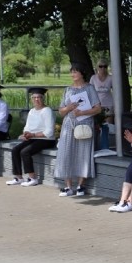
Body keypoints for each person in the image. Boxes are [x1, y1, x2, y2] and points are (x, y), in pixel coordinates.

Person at [55, 62, 102, 197]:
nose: (73, 74)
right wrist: (68, 108)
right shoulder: (67, 90)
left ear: (82, 73)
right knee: (65, 153)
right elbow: (61, 111)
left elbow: (98, 108)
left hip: (85, 123)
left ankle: (81, 185)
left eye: (75, 71)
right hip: (69, 124)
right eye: (72, 72)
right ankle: (68, 186)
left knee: (83, 153)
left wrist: (82, 113)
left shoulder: (89, 88)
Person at [5, 87, 57, 187]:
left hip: (46, 140)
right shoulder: (32, 111)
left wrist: (33, 135)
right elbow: (27, 127)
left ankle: (32, 178)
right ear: (31, 99)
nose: (36, 99)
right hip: (33, 138)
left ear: (43, 98)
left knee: (25, 152)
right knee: (15, 150)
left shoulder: (47, 111)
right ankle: (19, 178)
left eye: (39, 97)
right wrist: (25, 134)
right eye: (34, 97)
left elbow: (49, 132)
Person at [90, 59, 114, 151]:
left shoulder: (110, 78)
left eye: (105, 66)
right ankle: (95, 146)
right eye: (101, 66)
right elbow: (90, 92)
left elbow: (115, 91)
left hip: (108, 105)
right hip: (96, 106)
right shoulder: (93, 78)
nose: (103, 68)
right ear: (97, 67)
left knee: (107, 126)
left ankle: (106, 146)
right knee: (95, 126)